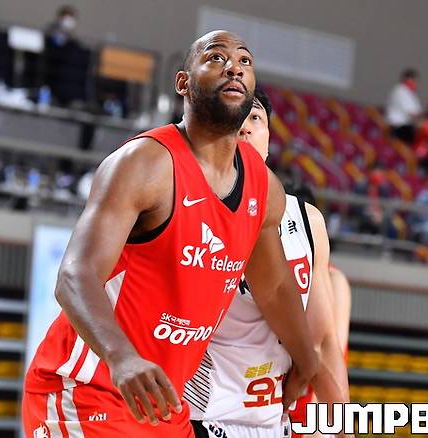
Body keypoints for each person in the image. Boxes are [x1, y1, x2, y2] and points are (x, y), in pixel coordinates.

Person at [23, 31, 319, 438]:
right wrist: (122, 357)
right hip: (90, 389)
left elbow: (275, 287)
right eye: (216, 58)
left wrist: (307, 360)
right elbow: (76, 275)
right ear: (183, 82)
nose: (234, 67)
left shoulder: (264, 187)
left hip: (164, 405)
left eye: (245, 61)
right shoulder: (145, 163)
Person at [186, 86, 351, 438]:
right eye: (237, 118)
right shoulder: (186, 206)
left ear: (269, 139)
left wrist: (341, 430)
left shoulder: (307, 221)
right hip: (198, 416)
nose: (246, 126)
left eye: (256, 117)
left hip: (272, 421)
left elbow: (323, 341)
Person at [44, 5, 90, 106]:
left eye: (71, 18)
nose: (68, 22)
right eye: (66, 17)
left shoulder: (73, 44)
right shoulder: (51, 37)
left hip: (66, 84)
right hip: (52, 78)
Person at [386, 68, 421, 144]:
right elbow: (412, 113)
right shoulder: (401, 91)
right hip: (398, 127)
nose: (415, 83)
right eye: (413, 80)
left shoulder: (409, 92)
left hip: (405, 126)